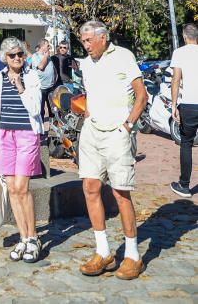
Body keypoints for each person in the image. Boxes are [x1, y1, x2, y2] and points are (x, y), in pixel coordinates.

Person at [78, 20, 147, 280]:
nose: (85, 46)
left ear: (103, 38)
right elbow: (91, 94)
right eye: (83, 41)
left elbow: (142, 95)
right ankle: (104, 251)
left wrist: (128, 126)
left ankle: (132, 256)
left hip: (118, 132)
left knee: (121, 192)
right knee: (90, 187)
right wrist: (87, 118)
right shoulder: (87, 63)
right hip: (93, 132)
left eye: (89, 41)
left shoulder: (123, 57)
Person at [0, 37, 43, 263]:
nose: (17, 58)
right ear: (5, 57)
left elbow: (35, 108)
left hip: (26, 134)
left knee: (23, 186)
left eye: (20, 54)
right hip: (4, 135)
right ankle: (23, 237)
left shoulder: (31, 76)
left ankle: (33, 237)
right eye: (12, 55)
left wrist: (20, 86)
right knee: (12, 188)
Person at [170, 22, 198, 198]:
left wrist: (173, 105)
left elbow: (175, 79)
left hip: (188, 103)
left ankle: (184, 185)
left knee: (186, 143)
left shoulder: (179, 53)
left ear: (184, 37)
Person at [30, 39, 56, 126]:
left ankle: (53, 127)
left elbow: (52, 69)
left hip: (51, 87)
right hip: (41, 88)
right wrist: (45, 56)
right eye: (48, 45)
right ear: (42, 46)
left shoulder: (48, 56)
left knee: (53, 109)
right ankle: (40, 130)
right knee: (40, 110)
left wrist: (55, 77)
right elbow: (41, 67)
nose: (49, 47)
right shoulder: (35, 56)